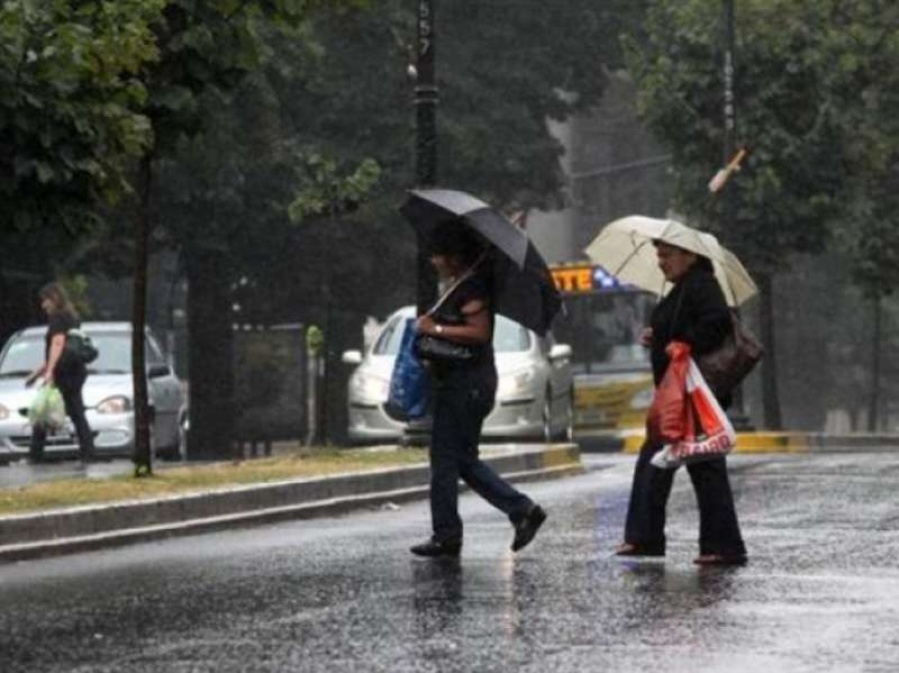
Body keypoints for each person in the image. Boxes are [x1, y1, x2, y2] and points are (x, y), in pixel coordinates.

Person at [410, 222, 547, 558]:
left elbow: (479, 332)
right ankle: (520, 511)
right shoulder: (463, 284)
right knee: (461, 460)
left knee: (445, 459)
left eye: (437, 255)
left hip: (465, 386)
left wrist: (435, 327)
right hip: (463, 384)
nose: (433, 262)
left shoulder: (473, 287)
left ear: (453, 256)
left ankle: (448, 534)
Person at [615, 241, 747, 565]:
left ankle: (722, 546)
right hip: (675, 394)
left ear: (689, 255)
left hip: (692, 394)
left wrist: (684, 342)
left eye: (667, 256)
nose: (661, 263)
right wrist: (656, 335)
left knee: (703, 464)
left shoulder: (701, 284)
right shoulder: (683, 288)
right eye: (659, 256)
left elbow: (715, 321)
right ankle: (646, 537)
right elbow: (676, 326)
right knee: (657, 460)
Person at [25, 282, 95, 464]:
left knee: (45, 411)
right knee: (75, 412)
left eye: (45, 301)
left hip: (64, 373)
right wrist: (38, 372)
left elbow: (57, 344)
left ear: (54, 299)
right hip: (74, 371)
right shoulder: (71, 318)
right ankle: (88, 452)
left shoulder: (57, 319)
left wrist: (49, 372)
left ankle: (35, 454)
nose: (43, 305)